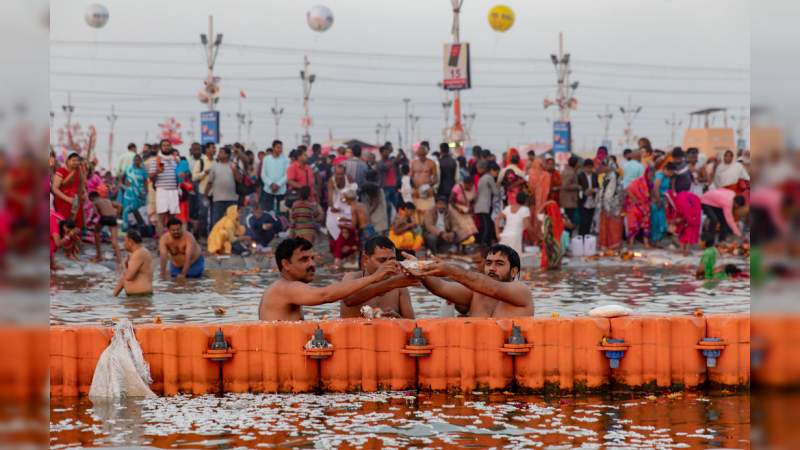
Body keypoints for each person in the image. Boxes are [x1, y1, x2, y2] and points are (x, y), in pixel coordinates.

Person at [258, 237, 399, 321]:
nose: (312, 264)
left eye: (312, 258)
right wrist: (375, 277)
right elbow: (325, 295)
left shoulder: (287, 287)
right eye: (304, 259)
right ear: (286, 264)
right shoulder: (283, 288)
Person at [408, 244, 533, 317]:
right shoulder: (475, 293)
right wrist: (418, 267)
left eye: (499, 264)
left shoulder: (522, 291)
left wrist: (450, 271)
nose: (492, 268)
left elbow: (493, 288)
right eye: (488, 263)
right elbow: (441, 287)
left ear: (514, 271)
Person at [339, 236, 416, 319]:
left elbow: (411, 324)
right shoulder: (352, 277)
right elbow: (349, 300)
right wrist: (389, 284)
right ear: (365, 260)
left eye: (392, 259)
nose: (388, 265)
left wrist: (398, 318)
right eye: (382, 260)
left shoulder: (399, 285)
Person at [148, 139, 181, 235]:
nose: (166, 147)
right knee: (161, 217)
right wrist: (158, 172)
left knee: (172, 217)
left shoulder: (175, 160)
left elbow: (181, 174)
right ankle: (160, 240)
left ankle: (171, 239)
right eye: (164, 145)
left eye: (168, 145)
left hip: (174, 191)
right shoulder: (157, 160)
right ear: (161, 147)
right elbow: (150, 176)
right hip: (162, 191)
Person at [206, 146, 241, 228]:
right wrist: (205, 194)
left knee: (232, 222)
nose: (218, 154)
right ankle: (216, 240)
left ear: (227, 155)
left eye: (221, 152)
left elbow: (239, 180)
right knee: (217, 222)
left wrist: (234, 170)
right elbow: (210, 182)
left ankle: (232, 240)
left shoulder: (233, 165)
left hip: (232, 199)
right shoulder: (215, 166)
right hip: (218, 199)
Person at [623, 150, 651, 247]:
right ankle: (645, 243)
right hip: (640, 196)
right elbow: (642, 182)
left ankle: (631, 243)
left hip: (628, 195)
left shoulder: (625, 165)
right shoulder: (640, 167)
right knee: (644, 219)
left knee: (631, 219)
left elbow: (623, 181)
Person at [112, 231, 153, 297]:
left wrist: (124, 266)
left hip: (141, 298)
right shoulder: (136, 253)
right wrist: (113, 296)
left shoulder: (139, 253)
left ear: (130, 242)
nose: (124, 244)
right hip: (136, 298)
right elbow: (124, 277)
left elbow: (128, 277)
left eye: (125, 241)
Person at [595, 160, 625, 251]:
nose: (601, 167)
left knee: (612, 226)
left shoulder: (613, 177)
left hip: (611, 206)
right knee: (606, 225)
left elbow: (609, 192)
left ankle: (612, 245)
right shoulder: (608, 176)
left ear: (609, 167)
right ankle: (606, 244)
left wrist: (606, 206)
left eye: (604, 166)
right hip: (607, 206)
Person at [52, 152, 86, 229]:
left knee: (76, 224)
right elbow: (55, 189)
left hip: (75, 200)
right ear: (67, 161)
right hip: (63, 200)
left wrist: (83, 194)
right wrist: (67, 199)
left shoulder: (78, 171)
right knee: (64, 223)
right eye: (73, 160)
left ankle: (70, 239)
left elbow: (81, 184)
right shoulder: (61, 171)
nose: (76, 162)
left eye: (77, 161)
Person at [326, 166, 358, 246]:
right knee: (330, 223)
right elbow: (330, 196)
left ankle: (350, 244)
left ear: (344, 173)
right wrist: (332, 207)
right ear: (334, 173)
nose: (339, 176)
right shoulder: (331, 181)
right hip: (336, 204)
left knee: (350, 225)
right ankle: (337, 244)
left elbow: (354, 193)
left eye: (341, 174)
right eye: (337, 174)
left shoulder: (349, 178)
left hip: (348, 204)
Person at [88, 191, 122, 265]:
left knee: (96, 232)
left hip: (104, 218)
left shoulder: (95, 202)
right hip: (113, 218)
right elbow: (119, 205)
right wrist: (117, 215)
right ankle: (120, 260)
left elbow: (95, 213)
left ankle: (99, 255)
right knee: (114, 240)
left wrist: (91, 220)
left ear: (92, 198)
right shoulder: (107, 200)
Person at [665, 190, 702, 255]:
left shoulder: (680, 201)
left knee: (689, 229)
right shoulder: (671, 204)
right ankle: (682, 248)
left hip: (693, 210)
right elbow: (670, 216)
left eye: (666, 198)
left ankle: (687, 249)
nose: (665, 200)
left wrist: (680, 220)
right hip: (685, 213)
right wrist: (673, 221)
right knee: (682, 229)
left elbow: (687, 214)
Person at [495, 191, 532, 256]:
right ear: (525, 200)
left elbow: (497, 219)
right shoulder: (525, 209)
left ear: (516, 199)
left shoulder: (508, 208)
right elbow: (528, 226)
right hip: (515, 238)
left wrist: (497, 233)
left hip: (504, 236)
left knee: (503, 259)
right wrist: (537, 236)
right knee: (514, 261)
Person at [121, 154, 148, 232]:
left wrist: (146, 192)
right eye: (135, 159)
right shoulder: (129, 169)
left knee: (137, 209)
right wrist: (122, 185)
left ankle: (140, 226)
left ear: (141, 161)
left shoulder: (143, 170)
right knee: (127, 209)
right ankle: (125, 226)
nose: (137, 161)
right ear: (133, 160)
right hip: (129, 192)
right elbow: (122, 177)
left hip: (140, 192)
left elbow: (145, 182)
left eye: (138, 159)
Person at [260, 140, 289, 213]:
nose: (280, 150)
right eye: (278, 147)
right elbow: (263, 174)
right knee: (267, 213)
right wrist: (271, 184)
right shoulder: (266, 159)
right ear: (273, 148)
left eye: (281, 148)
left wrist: (278, 184)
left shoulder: (285, 160)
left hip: (281, 190)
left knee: (282, 213)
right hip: (268, 190)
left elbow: (287, 175)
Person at [474, 161, 498, 246]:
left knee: (484, 225)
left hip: (478, 206)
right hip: (484, 206)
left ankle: (483, 243)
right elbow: (495, 192)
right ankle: (484, 244)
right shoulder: (489, 177)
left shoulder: (482, 178)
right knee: (487, 226)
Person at [650, 163, 675, 244]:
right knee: (656, 221)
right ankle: (654, 241)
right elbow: (655, 188)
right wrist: (657, 200)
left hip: (662, 200)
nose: (671, 174)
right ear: (665, 169)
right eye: (670, 172)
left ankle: (657, 241)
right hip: (656, 200)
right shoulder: (659, 175)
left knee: (662, 220)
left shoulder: (667, 177)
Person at [411, 144, 438, 214]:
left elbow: (435, 178)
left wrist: (427, 186)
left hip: (427, 191)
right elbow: (411, 176)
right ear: (418, 155)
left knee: (429, 211)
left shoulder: (431, 163)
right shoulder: (414, 163)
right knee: (418, 211)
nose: (422, 157)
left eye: (423, 155)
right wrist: (413, 186)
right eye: (420, 155)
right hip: (416, 190)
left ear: (426, 154)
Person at [448, 176, 478, 241]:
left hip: (465, 209)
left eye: (471, 185)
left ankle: (468, 243)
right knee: (462, 227)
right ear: (464, 183)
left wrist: (472, 209)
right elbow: (451, 200)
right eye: (468, 185)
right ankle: (460, 243)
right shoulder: (457, 187)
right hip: (455, 208)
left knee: (470, 226)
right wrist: (458, 209)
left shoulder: (473, 187)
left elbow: (473, 200)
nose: (469, 187)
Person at [577, 159, 599, 236]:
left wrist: (594, 190)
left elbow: (598, 187)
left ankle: (587, 236)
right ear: (584, 167)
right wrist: (584, 192)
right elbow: (577, 188)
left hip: (592, 200)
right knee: (583, 220)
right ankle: (581, 236)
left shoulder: (595, 175)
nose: (589, 169)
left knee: (590, 220)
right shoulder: (580, 176)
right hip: (583, 200)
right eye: (587, 167)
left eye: (590, 167)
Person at [560, 156, 581, 228]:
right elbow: (565, 186)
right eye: (578, 162)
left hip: (570, 201)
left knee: (570, 221)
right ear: (574, 163)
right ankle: (567, 238)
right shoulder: (569, 172)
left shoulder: (571, 171)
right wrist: (577, 186)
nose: (579, 164)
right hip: (568, 201)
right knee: (569, 222)